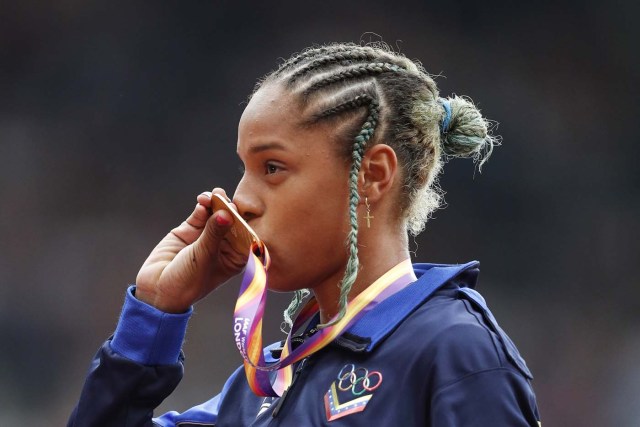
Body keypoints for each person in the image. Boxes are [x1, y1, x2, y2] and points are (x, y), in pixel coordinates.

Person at [68, 42, 541, 426]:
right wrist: (154, 312)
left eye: (272, 167)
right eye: (245, 169)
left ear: (372, 176)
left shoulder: (455, 353)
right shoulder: (263, 389)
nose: (241, 199)